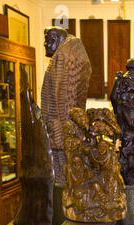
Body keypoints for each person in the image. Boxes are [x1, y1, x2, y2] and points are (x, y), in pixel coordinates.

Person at [41, 26, 91, 185]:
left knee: (64, 176)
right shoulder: (66, 53)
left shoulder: (64, 55)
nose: (45, 45)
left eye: (47, 42)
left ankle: (62, 205)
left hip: (61, 130)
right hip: (60, 129)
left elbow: (62, 99)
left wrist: (57, 126)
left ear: (55, 40)